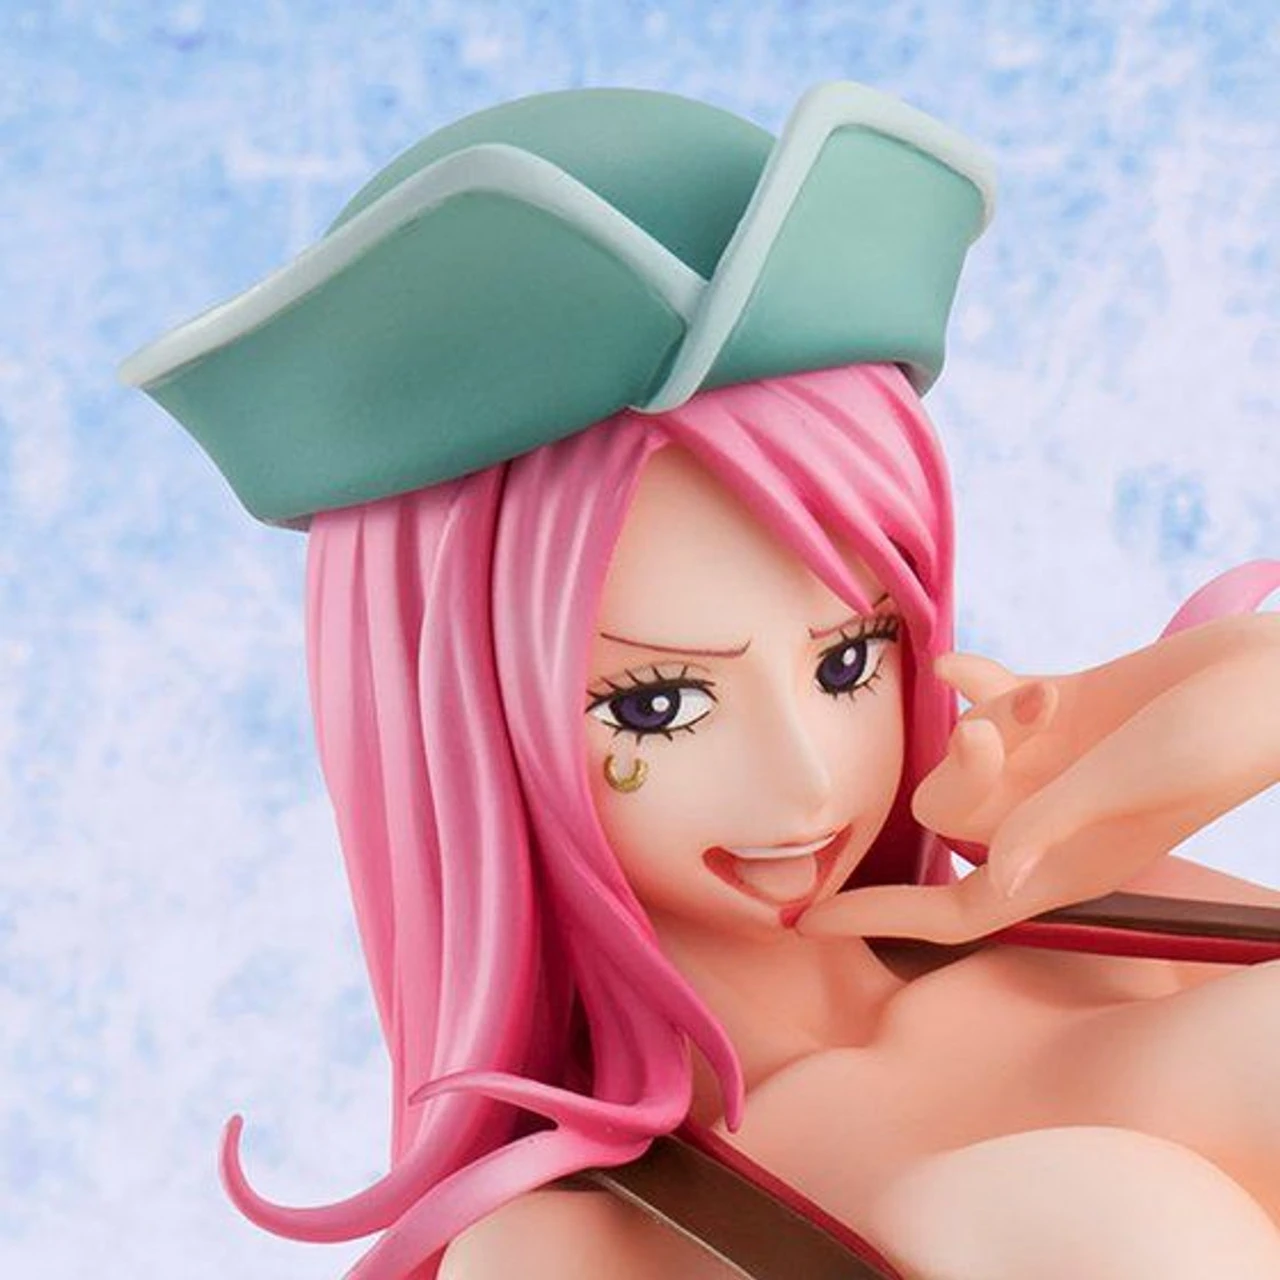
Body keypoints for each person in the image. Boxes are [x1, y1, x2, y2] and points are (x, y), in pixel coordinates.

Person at [121, 84, 1280, 1279]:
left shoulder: (1132, 923)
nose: (804, 778)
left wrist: (1253, 683)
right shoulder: (572, 1250)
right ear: (461, 728)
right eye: (656, 704)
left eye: (846, 659)